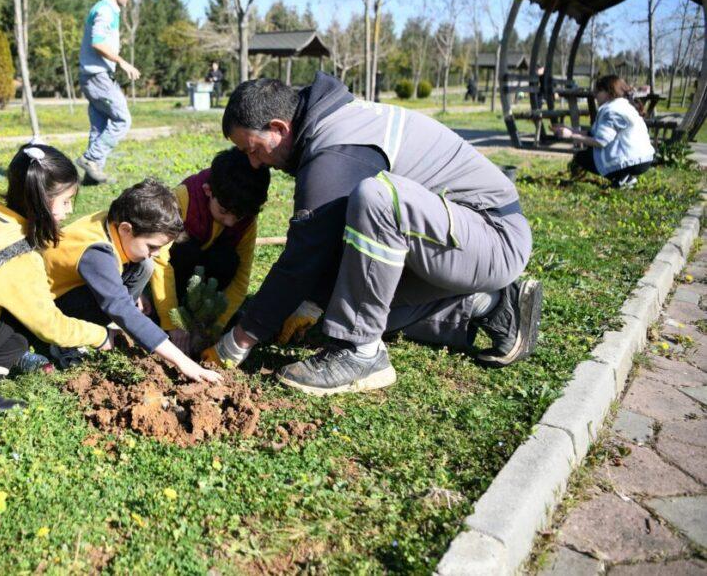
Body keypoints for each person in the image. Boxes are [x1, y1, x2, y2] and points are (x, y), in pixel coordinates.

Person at [204, 72, 541, 396]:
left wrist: (241, 339)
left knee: (377, 199)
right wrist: (312, 304)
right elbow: (330, 239)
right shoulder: (325, 125)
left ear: (279, 128)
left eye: (252, 149)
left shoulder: (335, 148)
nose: (253, 162)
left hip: (493, 236)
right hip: (454, 247)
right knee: (352, 312)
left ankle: (361, 354)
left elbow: (304, 256)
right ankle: (488, 304)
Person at [0, 143, 118, 419]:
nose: (69, 210)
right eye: (64, 201)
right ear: (39, 200)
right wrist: (102, 336)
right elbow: (52, 328)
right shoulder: (19, 257)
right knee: (21, 326)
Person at [41, 178, 223, 384]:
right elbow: (119, 306)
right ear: (126, 229)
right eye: (152, 246)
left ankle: (110, 327)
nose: (155, 253)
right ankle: (66, 343)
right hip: (51, 306)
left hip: (73, 288)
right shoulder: (96, 252)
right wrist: (184, 362)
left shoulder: (113, 224)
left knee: (145, 265)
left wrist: (137, 294)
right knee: (123, 303)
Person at [149, 148, 270, 352]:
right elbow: (160, 261)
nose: (231, 222)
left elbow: (241, 279)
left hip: (208, 279)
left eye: (238, 216)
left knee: (229, 261)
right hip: (179, 266)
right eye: (223, 211)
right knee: (185, 248)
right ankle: (163, 310)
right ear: (208, 190)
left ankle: (200, 318)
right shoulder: (183, 198)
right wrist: (173, 322)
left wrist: (216, 325)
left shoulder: (246, 216)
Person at [74, 0, 140, 185]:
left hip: (92, 74)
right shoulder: (105, 10)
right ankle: (91, 159)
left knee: (99, 126)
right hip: (97, 75)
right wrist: (123, 62)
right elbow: (98, 42)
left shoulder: (105, 9)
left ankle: (92, 177)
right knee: (122, 119)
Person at [554, 75, 654, 189]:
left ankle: (622, 178)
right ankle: (625, 177)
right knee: (589, 153)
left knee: (583, 157)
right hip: (644, 158)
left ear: (609, 92)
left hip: (634, 160)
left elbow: (600, 142)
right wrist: (569, 129)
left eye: (598, 91)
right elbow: (593, 134)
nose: (595, 95)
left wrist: (571, 135)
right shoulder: (623, 105)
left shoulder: (610, 110)